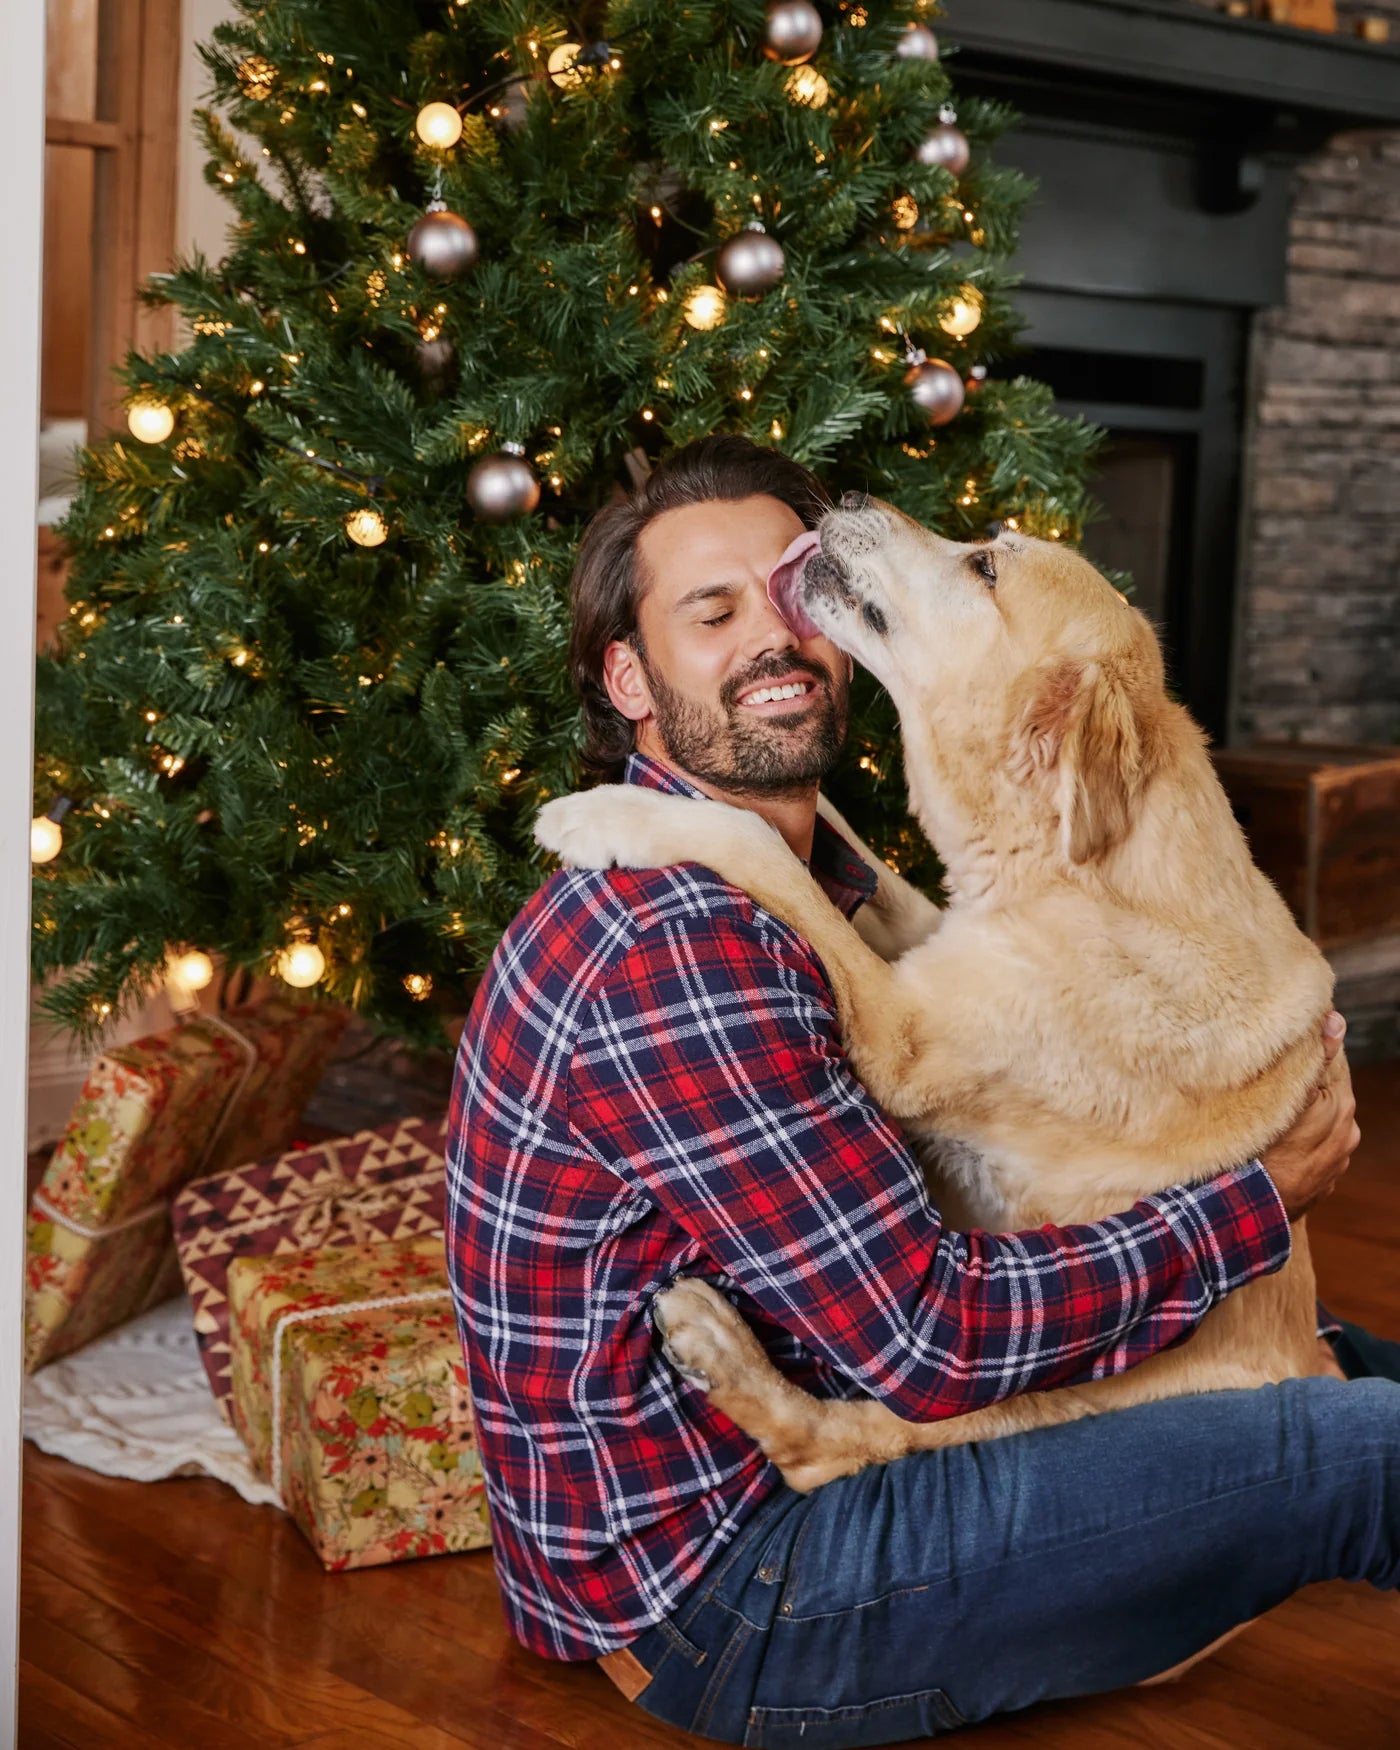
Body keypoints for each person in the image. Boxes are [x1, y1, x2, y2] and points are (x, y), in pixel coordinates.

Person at [445, 436, 1392, 1746]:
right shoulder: (680, 936)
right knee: (1369, 1455)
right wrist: (1263, 1195)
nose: (770, 638)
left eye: (783, 595)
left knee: (1344, 1352)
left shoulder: (799, 876)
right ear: (629, 679)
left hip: (796, 1489)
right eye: (710, 615)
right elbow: (929, 1344)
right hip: (745, 1593)